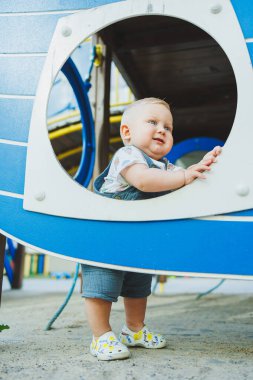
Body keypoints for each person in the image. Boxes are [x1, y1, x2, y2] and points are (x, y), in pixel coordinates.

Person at [81, 97, 221, 361]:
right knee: (102, 285)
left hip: (137, 239)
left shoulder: (166, 167)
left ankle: (134, 329)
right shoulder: (128, 156)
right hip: (106, 235)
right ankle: (100, 336)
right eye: (153, 122)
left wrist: (199, 167)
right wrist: (183, 177)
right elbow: (144, 181)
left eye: (168, 127)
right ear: (127, 132)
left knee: (138, 286)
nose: (162, 130)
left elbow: (182, 180)